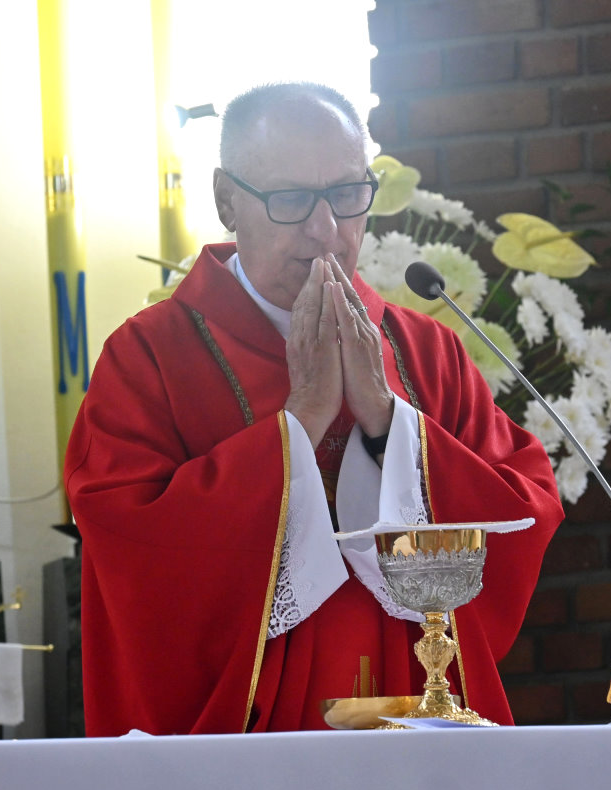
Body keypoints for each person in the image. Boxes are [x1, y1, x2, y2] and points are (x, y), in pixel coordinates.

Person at [65, 82, 563, 736]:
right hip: (244, 746)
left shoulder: (424, 350)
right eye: (293, 199)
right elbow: (129, 541)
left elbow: (524, 505)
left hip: (414, 722)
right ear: (225, 201)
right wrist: (297, 424)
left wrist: (390, 423)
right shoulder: (150, 358)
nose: (325, 229)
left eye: (347, 195)